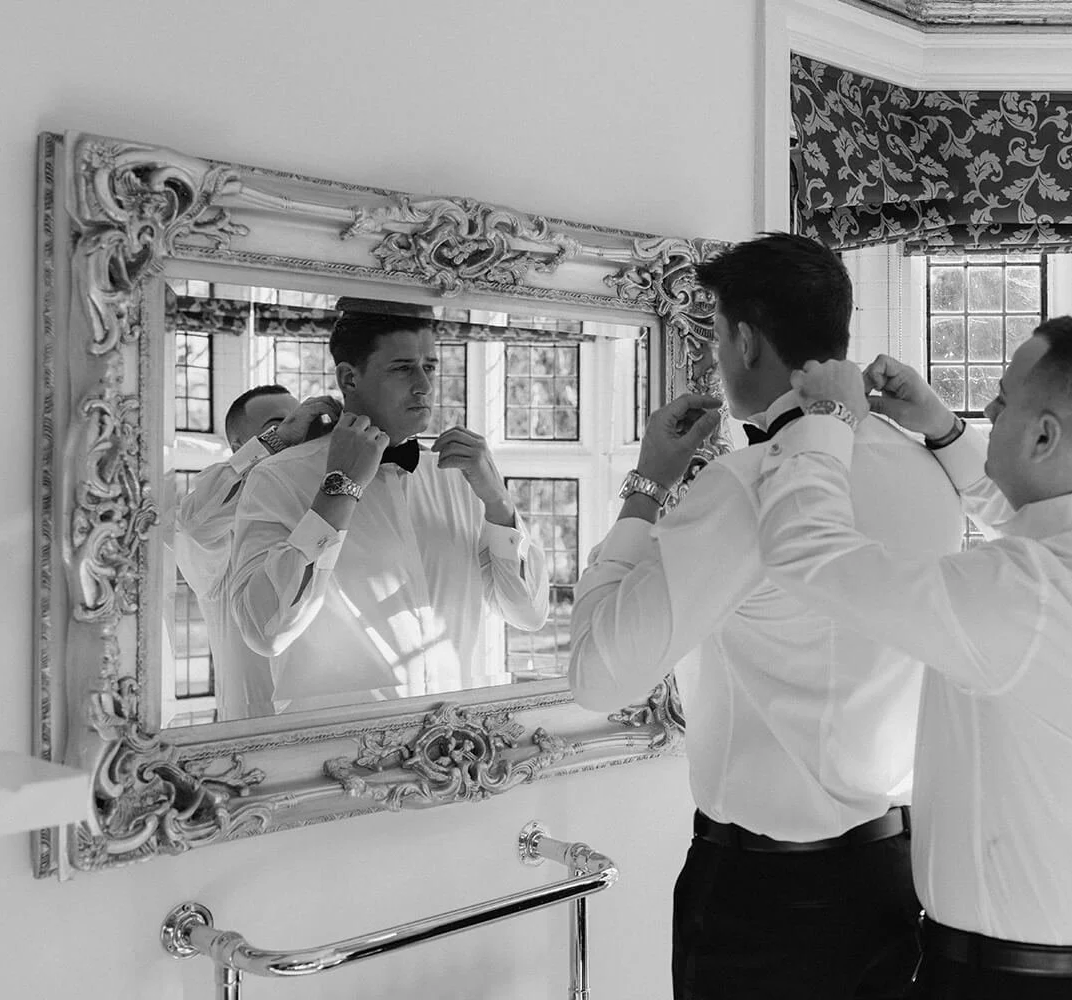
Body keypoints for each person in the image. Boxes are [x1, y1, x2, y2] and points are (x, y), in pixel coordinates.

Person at [753, 316, 1072, 999]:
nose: (989, 411)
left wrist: (826, 420)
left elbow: (808, 553)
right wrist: (941, 428)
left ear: (1044, 435)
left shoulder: (1019, 595)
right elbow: (1033, 525)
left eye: (1002, 400)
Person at [569, 233, 966, 1000]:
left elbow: (596, 674)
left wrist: (648, 487)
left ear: (746, 339)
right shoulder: (930, 476)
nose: (718, 356)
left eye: (717, 335)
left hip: (766, 899)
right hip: (891, 875)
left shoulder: (746, 486)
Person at [228, 300, 549, 714]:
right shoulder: (277, 479)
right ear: (349, 378)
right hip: (336, 754)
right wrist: (338, 491)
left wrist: (499, 502)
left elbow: (529, 613)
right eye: (403, 368)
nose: (425, 386)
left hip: (461, 745)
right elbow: (264, 631)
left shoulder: (461, 478)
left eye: (429, 366)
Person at [174, 385, 340, 720]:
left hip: (335, 727)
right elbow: (194, 524)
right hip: (252, 737)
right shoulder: (220, 537)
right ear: (240, 446)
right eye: (279, 424)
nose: (301, 428)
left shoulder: (328, 516)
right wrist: (280, 442)